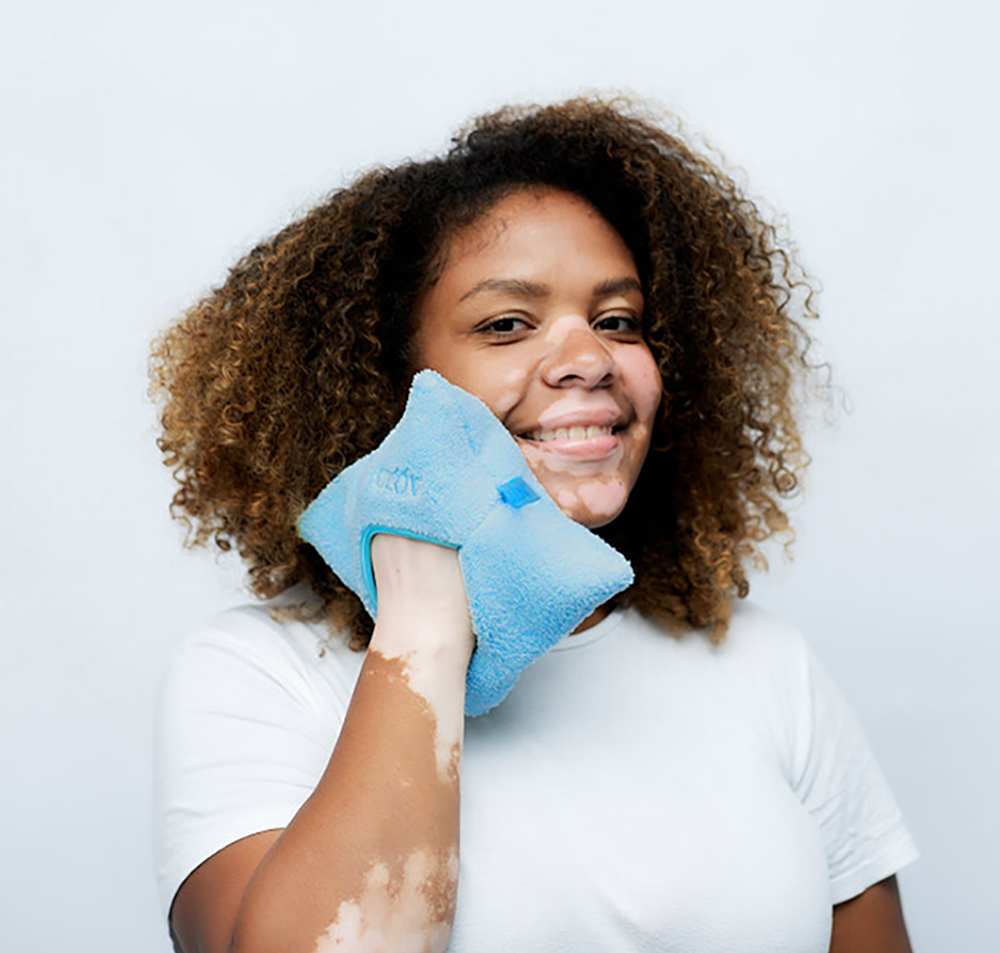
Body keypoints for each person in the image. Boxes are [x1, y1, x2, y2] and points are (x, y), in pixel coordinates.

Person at [150, 97, 919, 953]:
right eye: (506, 324)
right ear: (385, 379)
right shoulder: (258, 675)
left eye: (617, 320)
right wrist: (424, 628)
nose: (590, 358)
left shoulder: (765, 665)